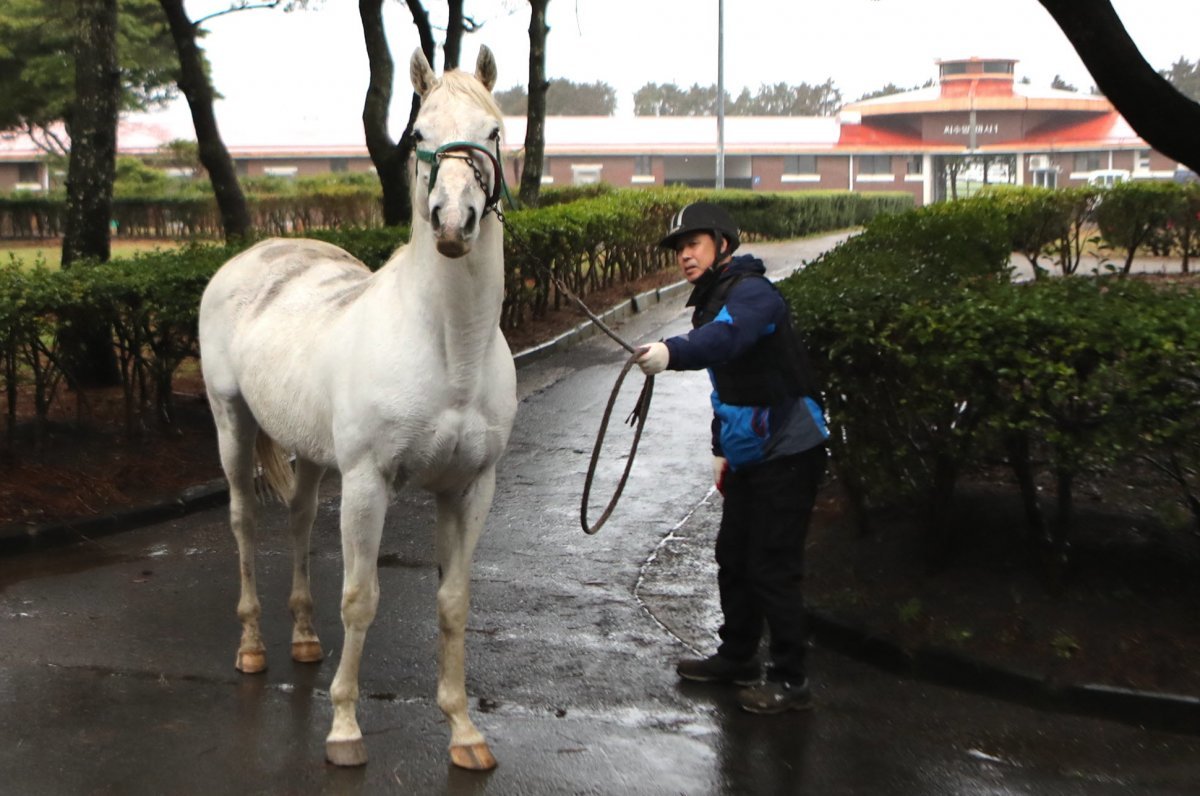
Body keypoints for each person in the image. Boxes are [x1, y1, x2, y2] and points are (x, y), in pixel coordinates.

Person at [636, 202, 829, 714]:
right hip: (750, 455)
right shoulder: (715, 297)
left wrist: (673, 352)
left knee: (772, 565)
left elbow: (729, 338)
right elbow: (730, 387)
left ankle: (790, 680)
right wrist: (721, 450)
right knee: (734, 558)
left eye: (692, 243)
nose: (683, 255)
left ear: (723, 244)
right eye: (679, 248)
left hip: (790, 450)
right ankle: (738, 656)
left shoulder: (752, 294)